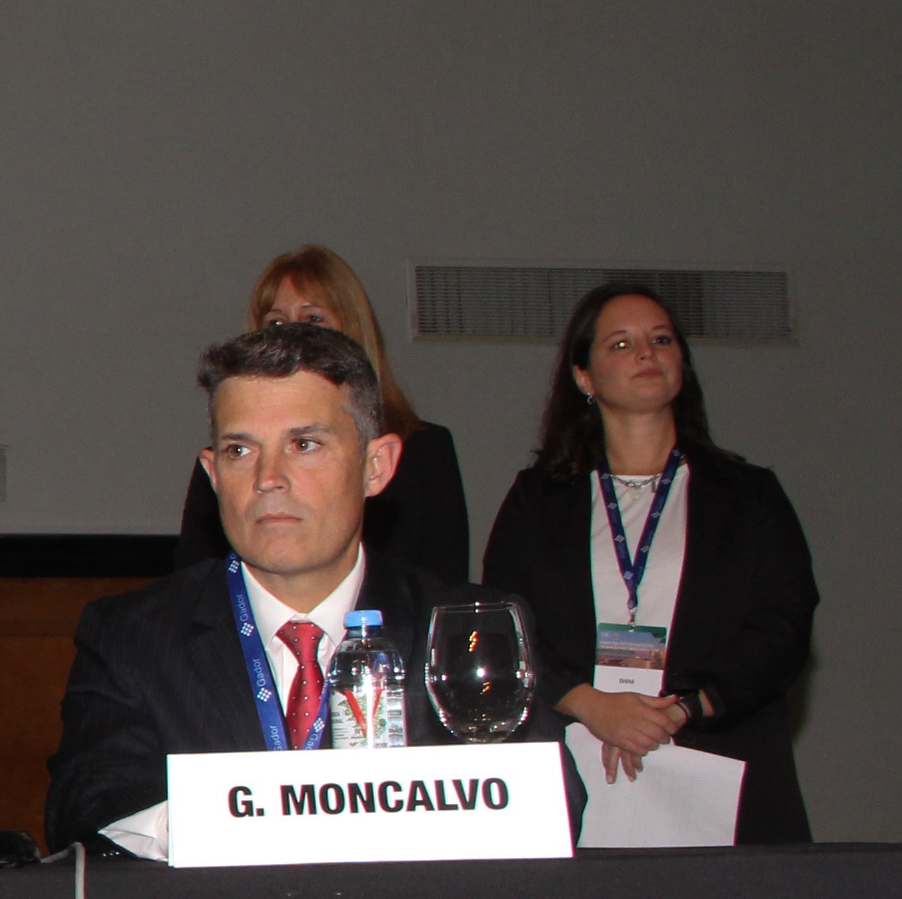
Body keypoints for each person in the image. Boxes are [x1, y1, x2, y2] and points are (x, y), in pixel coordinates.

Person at [49, 321, 484, 854]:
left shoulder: (466, 631)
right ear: (212, 474)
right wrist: (249, 822)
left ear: (376, 466)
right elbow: (88, 806)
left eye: (304, 444)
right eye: (240, 450)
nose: (268, 477)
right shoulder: (131, 636)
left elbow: (551, 800)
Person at [478, 282, 818, 843]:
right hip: (576, 759)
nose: (646, 353)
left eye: (661, 340)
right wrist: (593, 705)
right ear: (584, 377)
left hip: (720, 762)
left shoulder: (748, 494)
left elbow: (784, 626)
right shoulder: (538, 499)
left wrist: (682, 709)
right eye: (621, 344)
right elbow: (502, 625)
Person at [173, 246, 469, 587]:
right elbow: (194, 583)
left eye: (313, 319)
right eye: (276, 322)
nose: (292, 333)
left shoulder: (425, 449)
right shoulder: (229, 462)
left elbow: (442, 578)